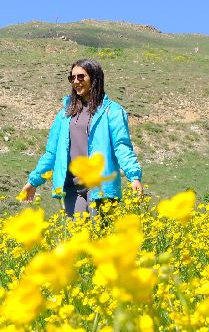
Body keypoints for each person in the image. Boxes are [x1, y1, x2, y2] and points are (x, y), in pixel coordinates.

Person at [19, 58, 142, 218]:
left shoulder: (112, 111)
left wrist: (134, 176)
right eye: (72, 78)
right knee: (77, 239)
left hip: (101, 186)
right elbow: (52, 153)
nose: (76, 81)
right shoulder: (64, 115)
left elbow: (121, 147)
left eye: (81, 77)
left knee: (100, 240)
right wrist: (33, 181)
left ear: (95, 78)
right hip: (71, 187)